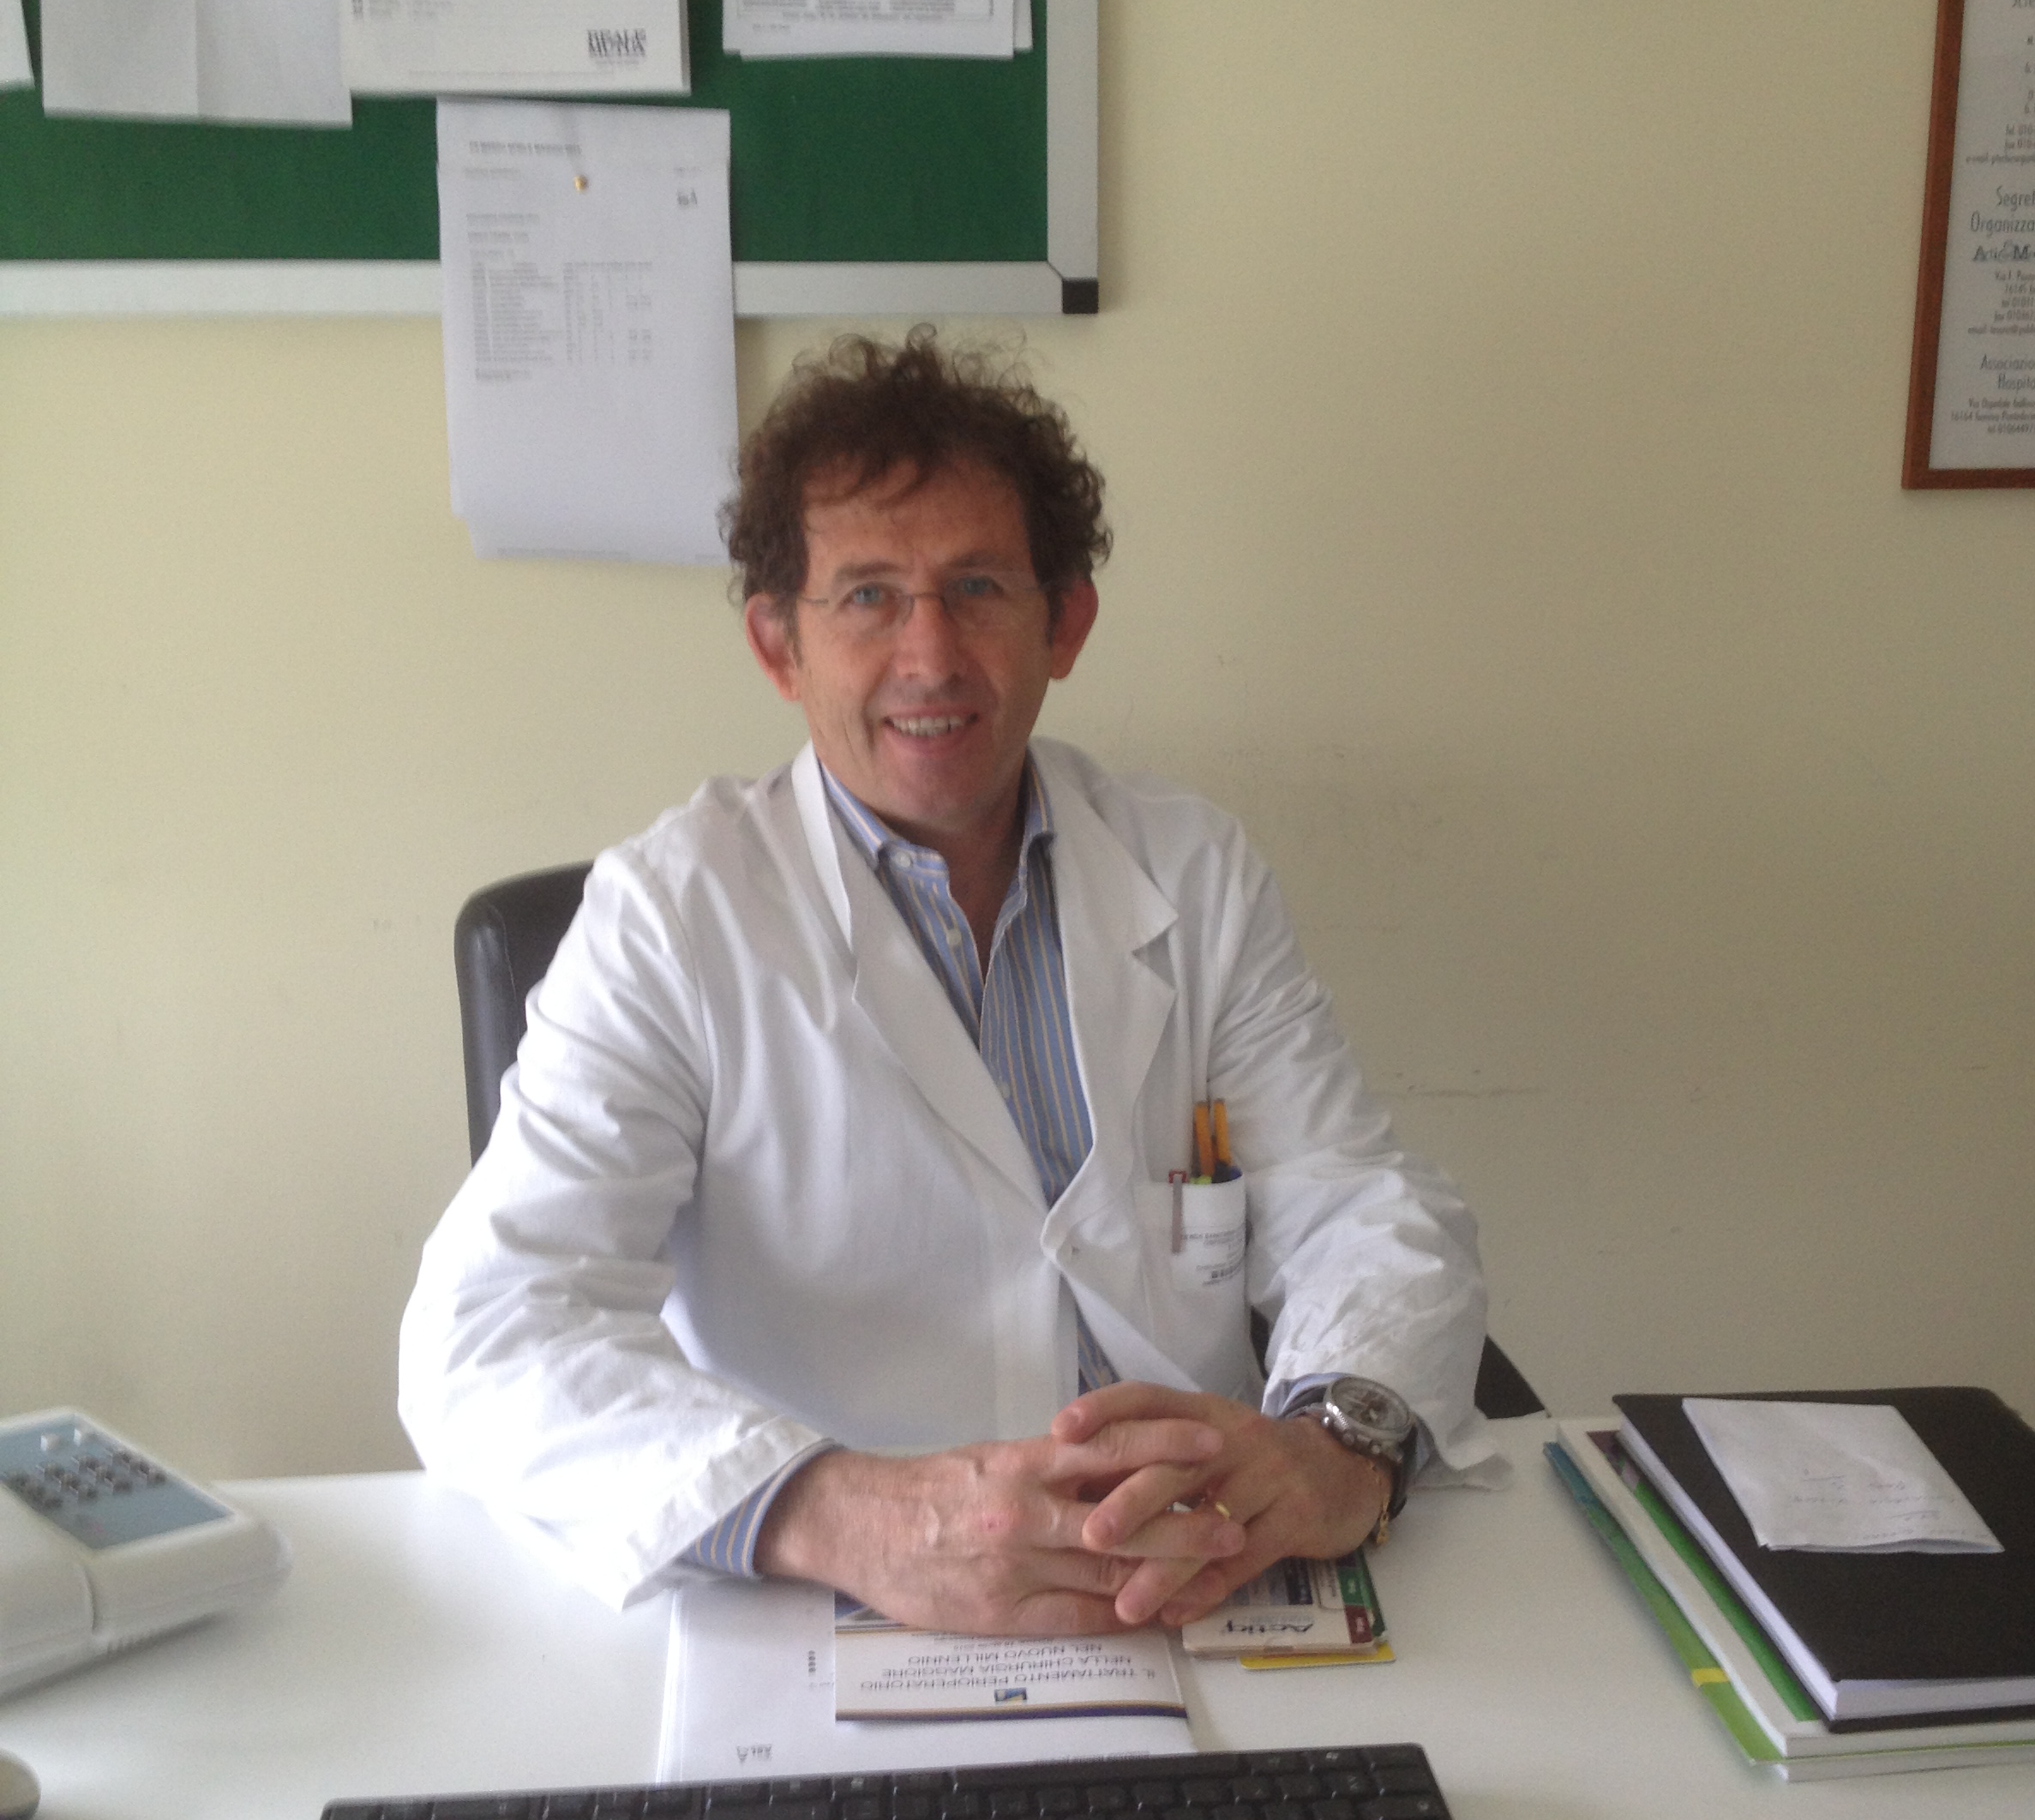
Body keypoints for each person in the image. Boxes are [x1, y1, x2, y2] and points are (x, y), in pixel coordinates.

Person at [399, 331, 1504, 1627]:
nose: (930, 657)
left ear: (1064, 623)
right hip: (840, 1609)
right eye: (868, 596)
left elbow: (1357, 1204)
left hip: (1197, 1582)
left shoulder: (1192, 870)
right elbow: (491, 1333)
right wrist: (847, 1515)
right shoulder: (671, 916)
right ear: (778, 646)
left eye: (977, 587)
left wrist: (1335, 1443)